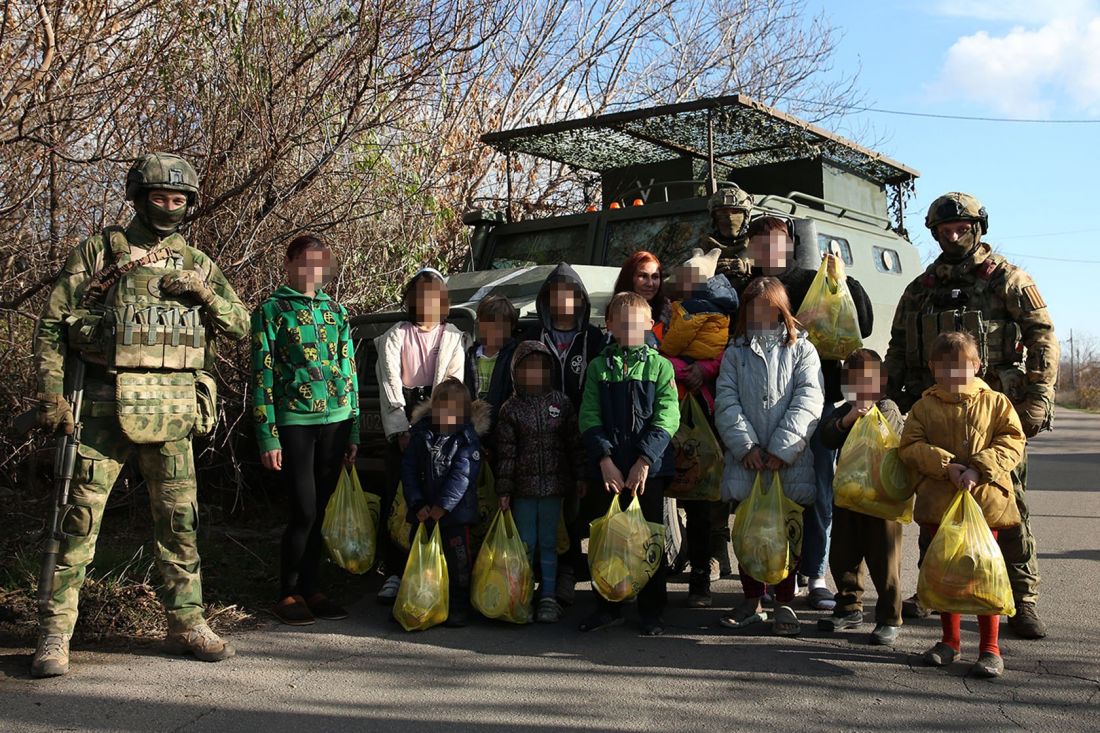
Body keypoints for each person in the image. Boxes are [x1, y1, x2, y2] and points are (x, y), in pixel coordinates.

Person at [30, 153, 248, 677]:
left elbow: (241, 325)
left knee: (179, 523)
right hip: (103, 407)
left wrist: (205, 295)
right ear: (138, 196)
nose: (170, 208)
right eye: (159, 197)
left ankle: (187, 620)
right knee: (76, 520)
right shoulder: (101, 251)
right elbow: (53, 324)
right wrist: (50, 395)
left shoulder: (197, 262)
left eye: (179, 200)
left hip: (172, 409)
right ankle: (55, 632)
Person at [884, 192, 1058, 639]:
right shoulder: (921, 290)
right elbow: (900, 348)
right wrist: (890, 400)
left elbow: (1041, 336)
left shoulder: (1007, 279)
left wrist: (1039, 396)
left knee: (1008, 507)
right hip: (935, 413)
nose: (953, 235)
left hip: (995, 412)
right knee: (935, 509)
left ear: (978, 227)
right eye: (944, 231)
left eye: (961, 228)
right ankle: (935, 590)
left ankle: (1022, 600)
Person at [745, 215, 874, 610]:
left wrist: (845, 280)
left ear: (790, 244)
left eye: (778, 241)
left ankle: (814, 573)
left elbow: (862, 325)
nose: (770, 250)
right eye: (761, 243)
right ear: (752, 249)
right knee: (764, 496)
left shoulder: (813, 279)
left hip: (819, 403)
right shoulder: (745, 288)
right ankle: (771, 572)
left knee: (817, 492)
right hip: (761, 408)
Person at [898, 331, 1026, 678]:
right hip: (940, 505)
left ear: (976, 366)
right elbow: (909, 446)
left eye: (961, 367)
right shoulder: (923, 408)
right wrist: (946, 466)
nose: (953, 375)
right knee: (945, 576)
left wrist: (979, 468)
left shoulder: (996, 402)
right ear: (933, 368)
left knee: (985, 576)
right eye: (945, 368)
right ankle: (949, 641)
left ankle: (990, 649)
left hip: (986, 506)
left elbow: (1013, 441)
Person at [251, 234, 359, 626]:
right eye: (306, 262)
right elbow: (261, 375)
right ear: (289, 264)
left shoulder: (337, 311)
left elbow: (349, 369)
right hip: (295, 420)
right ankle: (288, 592)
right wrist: (267, 433)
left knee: (323, 510)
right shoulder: (272, 310)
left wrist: (355, 430)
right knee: (304, 508)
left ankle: (313, 588)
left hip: (338, 420)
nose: (314, 272)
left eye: (321, 264)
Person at [714, 277, 824, 636]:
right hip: (747, 462)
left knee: (786, 532)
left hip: (789, 463)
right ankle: (751, 599)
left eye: (768, 307)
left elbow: (810, 399)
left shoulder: (803, 349)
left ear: (781, 309)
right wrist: (744, 445)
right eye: (753, 307)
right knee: (749, 531)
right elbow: (726, 401)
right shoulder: (735, 352)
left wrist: (781, 448)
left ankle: (784, 601)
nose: (760, 313)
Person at [578, 291, 680, 636]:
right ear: (609, 326)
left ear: (650, 325)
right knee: (607, 537)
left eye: (637, 324)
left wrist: (645, 459)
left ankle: (652, 611)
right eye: (621, 324)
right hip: (607, 470)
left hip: (646, 471)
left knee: (649, 538)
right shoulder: (598, 368)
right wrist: (604, 458)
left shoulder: (660, 366)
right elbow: (588, 415)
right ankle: (608, 604)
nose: (629, 329)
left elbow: (668, 417)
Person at [374, 269, 465, 604]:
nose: (427, 302)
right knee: (399, 498)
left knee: (437, 496)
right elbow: (389, 385)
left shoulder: (453, 336)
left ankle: (432, 568)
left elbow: (453, 382)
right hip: (405, 414)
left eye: (434, 295)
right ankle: (396, 570)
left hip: (436, 416)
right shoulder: (395, 335)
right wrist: (400, 430)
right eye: (420, 295)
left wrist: (441, 428)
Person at [659, 247, 739, 607]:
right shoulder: (667, 310)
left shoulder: (718, 314)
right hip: (670, 409)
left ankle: (701, 579)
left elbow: (728, 353)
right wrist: (683, 370)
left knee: (704, 500)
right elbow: (657, 350)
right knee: (666, 495)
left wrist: (702, 371)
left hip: (707, 411)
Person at [522, 262, 604, 605]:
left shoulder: (594, 340)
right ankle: (546, 576)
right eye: (556, 295)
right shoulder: (533, 339)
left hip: (581, 433)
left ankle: (572, 571)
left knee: (577, 503)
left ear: (581, 300)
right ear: (546, 300)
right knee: (547, 507)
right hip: (542, 436)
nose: (563, 301)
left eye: (570, 295)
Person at [816, 349, 905, 646]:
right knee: (843, 555)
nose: (861, 388)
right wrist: (849, 418)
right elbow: (826, 436)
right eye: (853, 382)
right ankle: (848, 607)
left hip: (882, 501)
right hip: (849, 497)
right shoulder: (845, 410)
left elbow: (890, 437)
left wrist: (870, 417)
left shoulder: (888, 407)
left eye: (867, 381)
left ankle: (889, 617)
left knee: (885, 561)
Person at [494, 341, 583, 623]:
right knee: (525, 543)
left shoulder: (561, 403)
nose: (534, 375)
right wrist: (504, 490)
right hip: (522, 491)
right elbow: (505, 454)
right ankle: (523, 595)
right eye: (527, 370)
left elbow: (574, 444)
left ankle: (547, 596)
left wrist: (580, 476)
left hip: (554, 490)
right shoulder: (510, 409)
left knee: (549, 542)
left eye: (540, 369)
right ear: (516, 373)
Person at [401, 378, 487, 628]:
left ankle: (458, 604)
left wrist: (443, 507)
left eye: (455, 411)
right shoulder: (421, 434)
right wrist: (417, 504)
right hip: (422, 513)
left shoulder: (467, 440)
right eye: (443, 409)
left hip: (455, 516)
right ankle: (420, 600)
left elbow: (462, 476)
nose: (448, 416)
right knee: (419, 560)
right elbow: (408, 470)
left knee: (458, 562)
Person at [464, 294, 518, 434]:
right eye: (489, 323)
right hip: (473, 426)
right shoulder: (470, 355)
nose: (494, 329)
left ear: (511, 326)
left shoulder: (515, 356)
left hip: (505, 426)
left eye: (500, 325)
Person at [705, 185, 757, 293]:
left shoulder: (757, 242)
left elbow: (773, 281)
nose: (729, 218)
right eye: (722, 213)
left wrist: (748, 270)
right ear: (714, 218)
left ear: (746, 217)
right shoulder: (703, 245)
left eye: (736, 212)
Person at [612, 250, 670, 344]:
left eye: (655, 277)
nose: (650, 284)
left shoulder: (671, 313)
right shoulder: (615, 310)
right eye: (643, 276)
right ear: (629, 278)